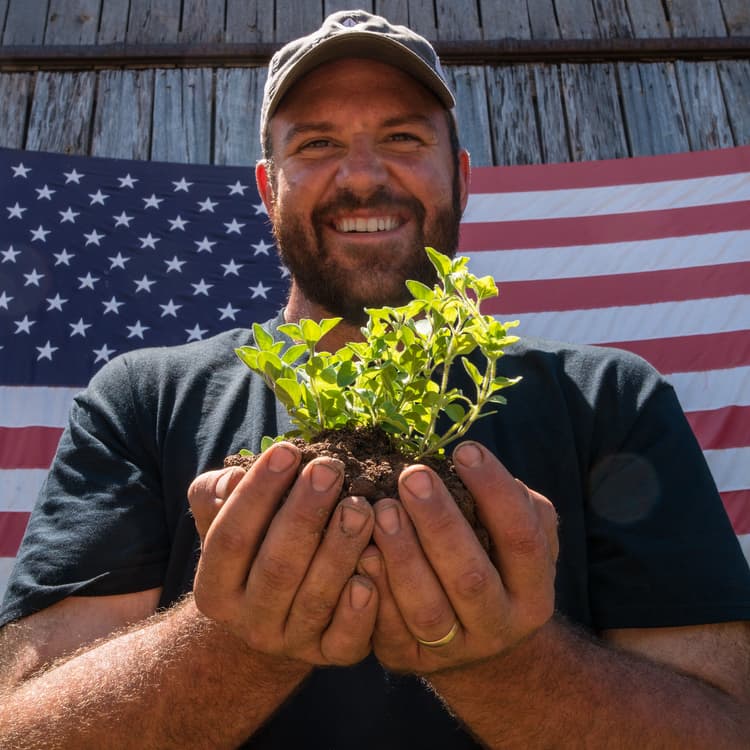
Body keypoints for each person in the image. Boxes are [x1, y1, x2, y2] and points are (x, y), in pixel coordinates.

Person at [1, 9, 749, 748]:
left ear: (458, 176)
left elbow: (726, 723)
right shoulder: (140, 399)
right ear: (268, 187)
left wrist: (508, 662)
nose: (361, 176)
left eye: (402, 137)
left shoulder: (612, 399)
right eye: (318, 143)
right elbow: (21, 725)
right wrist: (231, 644)